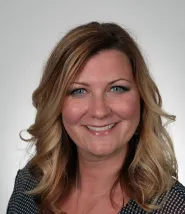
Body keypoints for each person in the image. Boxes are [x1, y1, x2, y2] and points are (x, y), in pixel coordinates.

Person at [7, 21, 185, 214]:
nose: (99, 111)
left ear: (141, 98)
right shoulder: (29, 185)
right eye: (79, 91)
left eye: (116, 88)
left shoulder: (174, 207)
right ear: (56, 103)